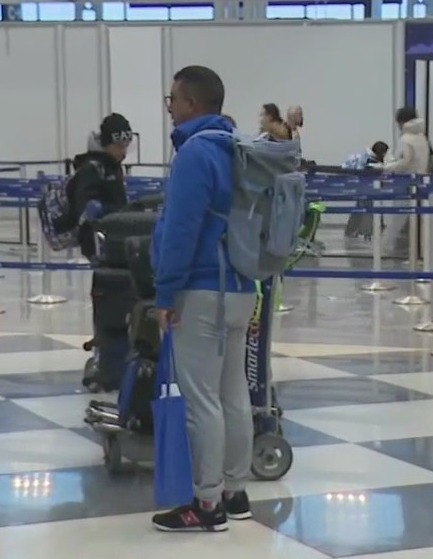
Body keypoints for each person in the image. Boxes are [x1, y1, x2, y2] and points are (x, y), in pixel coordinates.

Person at [151, 65, 258, 533]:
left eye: (173, 99)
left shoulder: (196, 154)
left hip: (201, 289)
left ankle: (207, 502)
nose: (170, 108)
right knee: (234, 394)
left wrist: (165, 291)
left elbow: (181, 229)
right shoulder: (240, 149)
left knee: (202, 401)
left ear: (191, 103)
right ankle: (235, 492)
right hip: (242, 287)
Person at [60, 113, 133, 262]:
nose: (123, 152)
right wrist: (103, 211)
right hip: (98, 238)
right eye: (119, 146)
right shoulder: (92, 168)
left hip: (115, 233)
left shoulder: (113, 166)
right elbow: (83, 206)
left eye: (126, 146)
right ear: (106, 144)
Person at [379, 106, 431, 255]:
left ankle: (383, 250)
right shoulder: (422, 137)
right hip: (421, 183)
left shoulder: (406, 139)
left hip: (405, 184)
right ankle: (420, 254)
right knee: (419, 222)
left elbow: (405, 162)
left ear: (402, 122)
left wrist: (387, 167)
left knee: (396, 220)